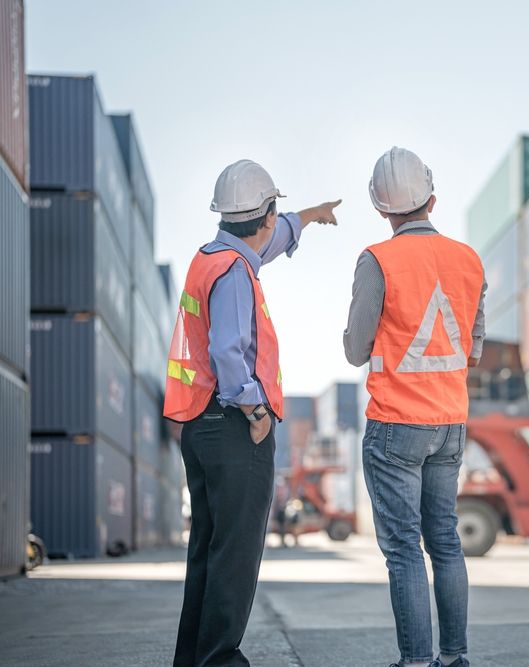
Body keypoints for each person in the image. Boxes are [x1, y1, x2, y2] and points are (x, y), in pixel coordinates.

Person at [164, 159, 340, 667]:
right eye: (276, 214)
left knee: (209, 552)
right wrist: (256, 407)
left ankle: (194, 660)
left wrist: (309, 216)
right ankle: (220, 660)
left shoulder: (211, 256)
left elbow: (272, 237)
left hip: (198, 425)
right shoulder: (236, 273)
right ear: (265, 213)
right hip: (235, 427)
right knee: (236, 556)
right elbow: (227, 349)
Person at [344, 147, 486, 667]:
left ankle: (416, 662)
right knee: (445, 542)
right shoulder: (468, 260)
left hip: (396, 426)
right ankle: (454, 659)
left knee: (404, 549)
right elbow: (472, 347)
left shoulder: (377, 260)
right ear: (432, 197)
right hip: (450, 424)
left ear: (382, 210)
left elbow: (356, 349)